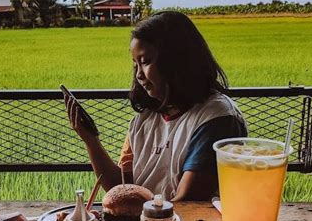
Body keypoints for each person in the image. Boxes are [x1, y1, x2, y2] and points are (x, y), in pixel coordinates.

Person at [66, 11, 247, 201]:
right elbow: (121, 189)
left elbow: (189, 201)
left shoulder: (216, 117)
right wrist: (91, 140)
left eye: (145, 62)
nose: (138, 75)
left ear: (176, 60)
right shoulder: (143, 119)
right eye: (135, 64)